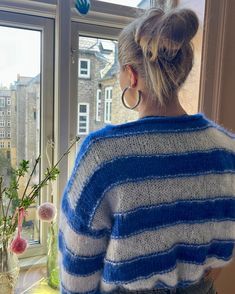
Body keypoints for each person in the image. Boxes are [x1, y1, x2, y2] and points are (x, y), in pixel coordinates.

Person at [59, 7, 235, 294]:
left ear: (131, 75)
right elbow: (219, 255)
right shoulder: (226, 150)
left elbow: (77, 272)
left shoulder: (103, 156)